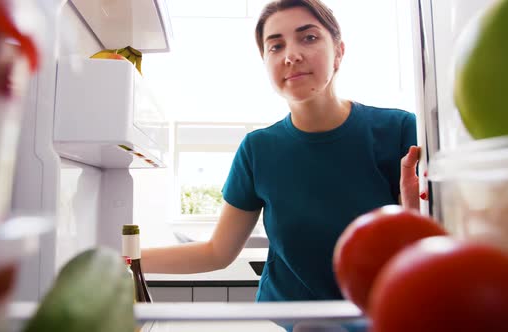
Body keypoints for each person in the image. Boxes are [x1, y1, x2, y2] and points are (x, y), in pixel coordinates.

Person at [143, 0, 423, 305]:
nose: (291, 55)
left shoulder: (399, 129)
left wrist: (418, 217)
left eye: (309, 37)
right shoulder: (257, 149)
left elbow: (420, 247)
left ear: (339, 52)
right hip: (296, 322)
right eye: (275, 46)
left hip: (381, 315)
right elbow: (217, 252)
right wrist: (125, 258)